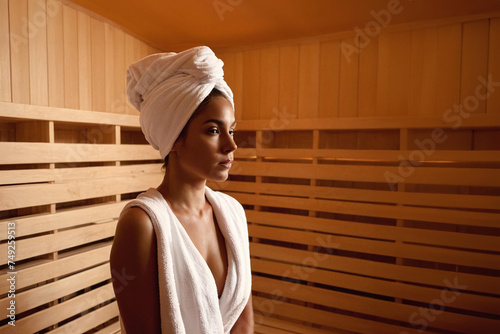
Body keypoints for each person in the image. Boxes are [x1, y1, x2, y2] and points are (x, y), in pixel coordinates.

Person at [110, 46, 253, 333]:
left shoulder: (233, 213)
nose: (231, 145)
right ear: (175, 138)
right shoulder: (142, 225)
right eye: (213, 130)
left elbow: (243, 321)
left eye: (232, 130)